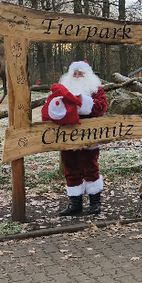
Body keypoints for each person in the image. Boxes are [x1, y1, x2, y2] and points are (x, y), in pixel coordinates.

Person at [41, 61, 109, 216]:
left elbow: (102, 107)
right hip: (67, 135)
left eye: (81, 73)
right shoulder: (63, 89)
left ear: (87, 75)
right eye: (75, 74)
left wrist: (81, 102)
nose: (77, 76)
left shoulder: (96, 90)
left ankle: (95, 202)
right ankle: (75, 203)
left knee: (90, 166)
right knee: (70, 167)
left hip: (89, 135)